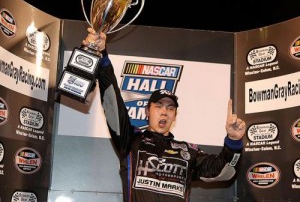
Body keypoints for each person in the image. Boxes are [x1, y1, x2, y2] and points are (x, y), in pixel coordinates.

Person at [82, 28, 246, 202]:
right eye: (159, 106)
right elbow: (113, 104)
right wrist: (103, 55)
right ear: (147, 111)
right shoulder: (131, 141)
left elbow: (225, 172)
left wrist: (233, 141)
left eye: (170, 108)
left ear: (175, 116)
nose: (164, 112)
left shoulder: (188, 152)